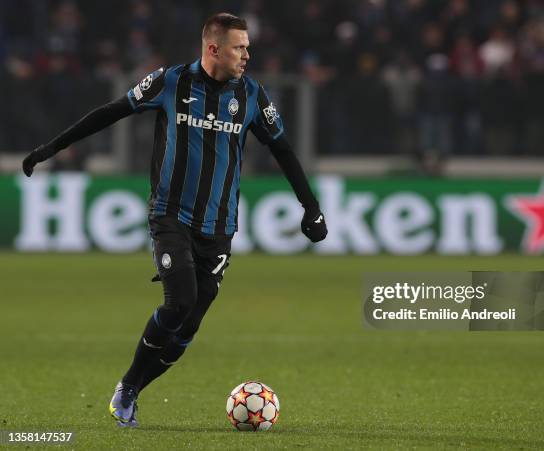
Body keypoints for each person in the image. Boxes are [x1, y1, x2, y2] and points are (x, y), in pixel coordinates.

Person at [22, 13, 328, 427]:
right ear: (213, 48)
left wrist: (311, 207)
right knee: (179, 301)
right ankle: (127, 388)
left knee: (188, 326)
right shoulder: (170, 82)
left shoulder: (253, 95)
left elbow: (284, 152)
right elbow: (110, 112)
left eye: (248, 47)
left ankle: (134, 388)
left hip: (219, 227)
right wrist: (51, 148)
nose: (247, 55)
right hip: (170, 215)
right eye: (239, 47)